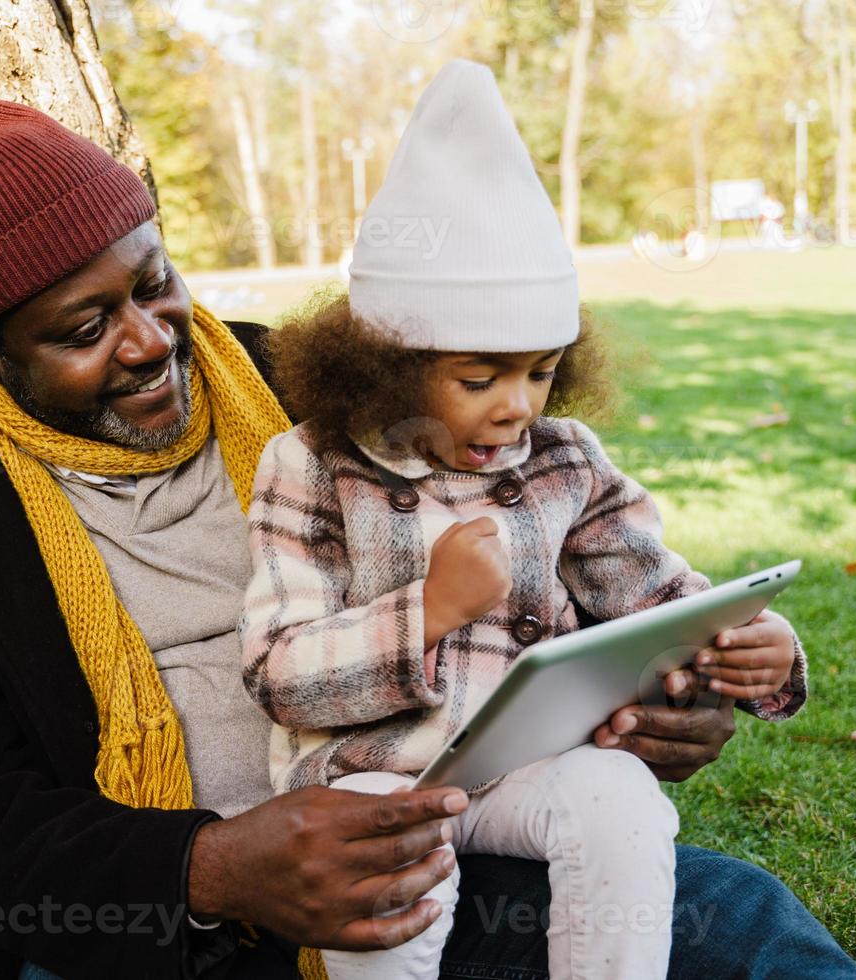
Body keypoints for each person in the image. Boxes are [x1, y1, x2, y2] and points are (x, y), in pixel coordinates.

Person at [0, 95, 856, 979]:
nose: (151, 340)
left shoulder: (311, 388)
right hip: (160, 937)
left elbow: (572, 571)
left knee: (739, 920)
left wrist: (658, 695)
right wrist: (214, 866)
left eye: (153, 283)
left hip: (441, 838)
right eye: (84, 330)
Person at [239, 62, 807, 980]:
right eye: (479, 378)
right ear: (386, 362)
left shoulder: (563, 456)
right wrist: (428, 611)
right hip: (372, 772)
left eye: (541, 370)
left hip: (525, 764)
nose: (516, 407)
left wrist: (745, 642)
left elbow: (655, 591)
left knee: (618, 793)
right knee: (388, 862)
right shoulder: (308, 466)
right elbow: (277, 674)